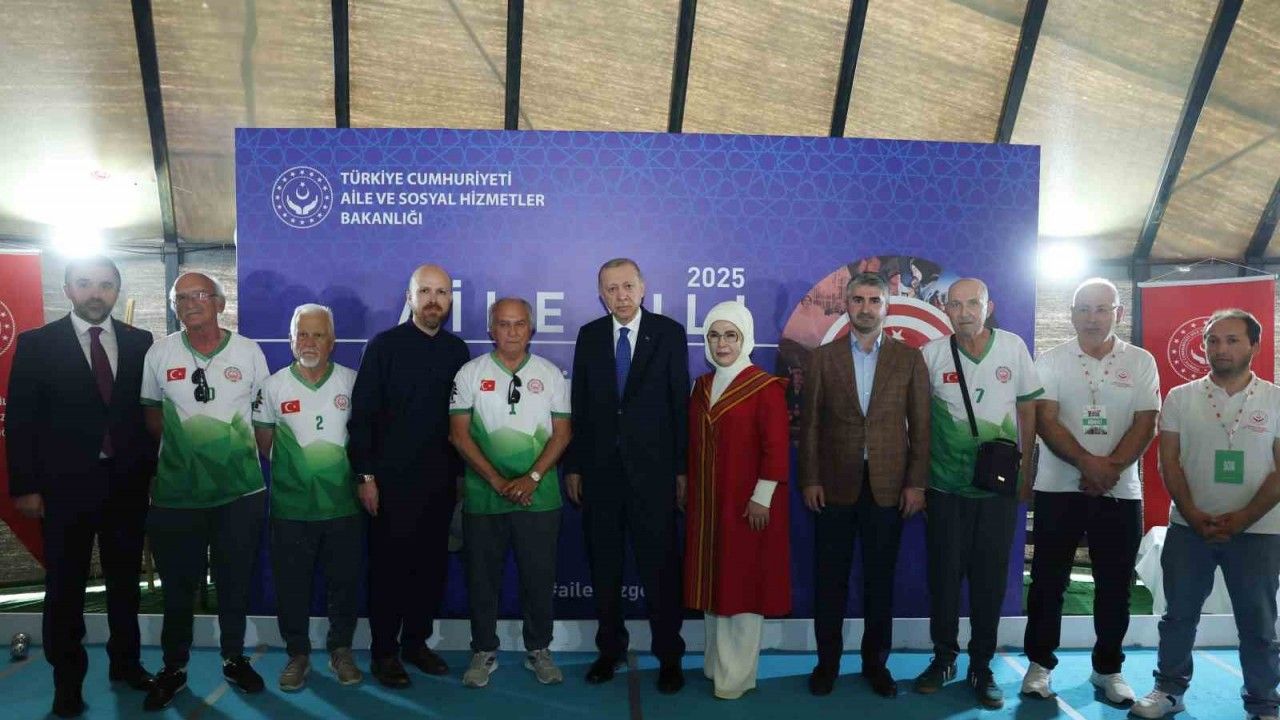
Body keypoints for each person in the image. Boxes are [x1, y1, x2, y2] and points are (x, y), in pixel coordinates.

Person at [6, 256, 156, 718]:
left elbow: (147, 415)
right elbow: (21, 420)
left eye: (106, 285)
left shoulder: (140, 342)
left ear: (117, 290)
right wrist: (25, 487)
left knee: (125, 585)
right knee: (65, 589)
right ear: (68, 290)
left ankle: (126, 664)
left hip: (126, 486)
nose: (96, 293)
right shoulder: (37, 344)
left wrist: (153, 475)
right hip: (63, 490)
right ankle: (67, 682)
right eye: (85, 284)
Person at [1132, 309, 1280, 720]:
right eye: (1213, 341)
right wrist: (1193, 514)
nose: (1220, 348)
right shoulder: (1180, 397)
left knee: (1259, 624)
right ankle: (1169, 690)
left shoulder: (1275, 399)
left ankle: (1264, 702)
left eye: (1232, 340)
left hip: (1259, 530)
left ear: (1254, 345)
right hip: (1189, 529)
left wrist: (1245, 517)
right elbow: (1169, 463)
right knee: (1178, 617)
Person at [1021, 278, 1158, 703]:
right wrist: (1087, 463)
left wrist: (1109, 469)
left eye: (1102, 309)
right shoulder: (1051, 359)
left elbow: (1146, 423)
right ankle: (1040, 665)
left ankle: (1108, 669)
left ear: (1118, 313)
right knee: (1048, 582)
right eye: (1083, 308)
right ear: (1071, 314)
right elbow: (1046, 420)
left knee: (1115, 586)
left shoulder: (1140, 361)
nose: (1092, 317)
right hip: (1058, 489)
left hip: (1121, 491)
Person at [140, 271, 271, 711]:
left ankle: (234, 658)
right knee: (178, 589)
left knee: (235, 583)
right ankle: (173, 668)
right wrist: (188, 455)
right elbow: (152, 417)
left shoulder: (249, 352)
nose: (190, 303)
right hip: (177, 497)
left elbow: (262, 415)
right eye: (180, 298)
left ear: (219, 302)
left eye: (199, 294)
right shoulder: (159, 353)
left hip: (240, 494)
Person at [799, 273, 930, 699]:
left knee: (879, 583)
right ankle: (827, 665)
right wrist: (810, 478)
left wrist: (916, 484)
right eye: (858, 299)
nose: (866, 307)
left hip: (889, 489)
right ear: (846, 304)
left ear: (887, 306)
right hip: (833, 487)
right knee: (830, 582)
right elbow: (810, 426)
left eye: (875, 300)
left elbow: (921, 428)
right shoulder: (823, 358)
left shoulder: (909, 359)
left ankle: (876, 665)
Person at [913, 278, 1041, 710]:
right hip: (944, 487)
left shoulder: (1013, 347)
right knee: (944, 579)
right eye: (956, 304)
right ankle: (944, 658)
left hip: (997, 491)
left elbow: (1028, 409)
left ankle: (981, 665)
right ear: (945, 308)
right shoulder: (931, 354)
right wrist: (920, 481)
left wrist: (1027, 470)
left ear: (989, 306)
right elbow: (920, 423)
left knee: (989, 582)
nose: (965, 312)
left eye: (973, 303)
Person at [564, 257, 689, 693]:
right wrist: (575, 465)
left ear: (643, 287)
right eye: (611, 288)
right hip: (600, 475)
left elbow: (679, 405)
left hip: (654, 476)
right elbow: (580, 405)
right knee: (605, 569)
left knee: (660, 571)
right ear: (601, 294)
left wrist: (681, 470)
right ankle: (610, 651)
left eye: (627, 286)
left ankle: (669, 656)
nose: (621, 295)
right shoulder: (590, 336)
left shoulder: (668, 333)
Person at [347, 263, 470, 688]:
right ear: (410, 298)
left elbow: (461, 422)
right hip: (389, 486)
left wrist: (459, 478)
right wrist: (365, 476)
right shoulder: (384, 346)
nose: (434, 300)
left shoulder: (457, 351)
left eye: (442, 292)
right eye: (425, 292)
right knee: (389, 573)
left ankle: (416, 644)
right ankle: (384, 652)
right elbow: (361, 417)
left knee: (430, 571)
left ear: (450, 300)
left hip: (441, 484)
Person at [448, 298, 572, 689]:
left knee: (538, 579)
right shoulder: (470, 373)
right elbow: (459, 435)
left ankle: (540, 650)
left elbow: (563, 434)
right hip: (484, 498)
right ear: (491, 330)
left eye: (519, 324)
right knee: (482, 581)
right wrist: (497, 482)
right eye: (504, 324)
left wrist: (531, 478)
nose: (512, 332)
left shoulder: (550, 374)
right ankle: (483, 650)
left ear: (531, 329)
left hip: (540, 498)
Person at [253, 304, 363, 691]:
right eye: (302, 334)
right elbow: (265, 444)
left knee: (344, 586)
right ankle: (297, 654)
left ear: (332, 342)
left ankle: (341, 650)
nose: (309, 342)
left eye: (318, 334)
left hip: (343, 507)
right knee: (291, 587)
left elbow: (365, 439)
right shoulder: (272, 387)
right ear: (290, 340)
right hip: (291, 510)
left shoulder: (352, 382)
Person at [684, 300, 789, 699]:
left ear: (746, 339)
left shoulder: (765, 387)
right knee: (715, 585)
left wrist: (762, 496)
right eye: (714, 335)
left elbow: (776, 448)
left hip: (747, 505)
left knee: (742, 587)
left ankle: (737, 676)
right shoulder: (702, 386)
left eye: (731, 335)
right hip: (709, 504)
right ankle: (716, 665)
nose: (722, 343)